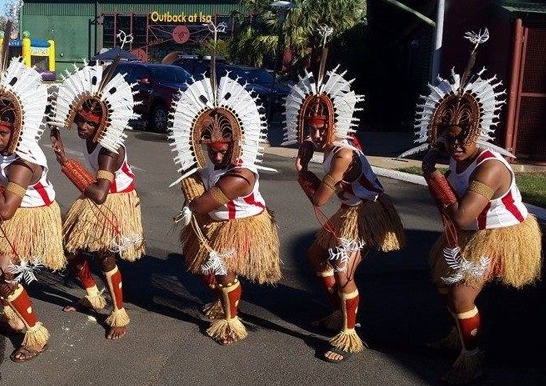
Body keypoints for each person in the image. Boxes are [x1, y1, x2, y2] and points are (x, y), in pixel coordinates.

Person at [406, 29, 542, 384]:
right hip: (470, 230)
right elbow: (453, 210)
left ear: (477, 131)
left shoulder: (490, 167)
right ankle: (458, 335)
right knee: (444, 282)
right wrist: (437, 175)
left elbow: (461, 215)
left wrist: (431, 175)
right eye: (448, 137)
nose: (454, 145)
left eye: (462, 137)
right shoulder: (456, 155)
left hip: (498, 233)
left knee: (461, 294)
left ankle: (472, 358)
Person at [281, 40, 405, 362]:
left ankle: (349, 335)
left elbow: (320, 199)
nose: (315, 135)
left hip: (365, 213)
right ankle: (338, 313)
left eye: (321, 129)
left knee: (342, 272)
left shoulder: (342, 154)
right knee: (315, 255)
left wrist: (302, 170)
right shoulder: (331, 145)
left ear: (334, 124)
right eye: (310, 128)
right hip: (350, 208)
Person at [0, 57, 66, 362]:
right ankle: (12, 317)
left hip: (32, 217)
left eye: (2, 133)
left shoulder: (22, 163)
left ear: (16, 131)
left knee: (3, 273)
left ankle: (35, 333)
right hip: (13, 209)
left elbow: (4, 210)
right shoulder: (5, 147)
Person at [167, 71, 282, 345]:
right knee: (207, 269)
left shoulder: (241, 176)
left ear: (236, 144)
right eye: (212, 150)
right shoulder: (214, 163)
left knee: (223, 271)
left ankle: (231, 322)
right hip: (215, 223)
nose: (217, 156)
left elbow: (200, 204)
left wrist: (188, 184)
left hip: (241, 226)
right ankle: (222, 302)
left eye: (223, 151)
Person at [48, 62, 144, 340]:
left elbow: (101, 194)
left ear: (103, 124)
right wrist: (57, 138)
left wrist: (67, 164)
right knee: (69, 245)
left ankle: (119, 312)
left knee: (104, 255)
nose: (83, 126)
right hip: (95, 193)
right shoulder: (90, 136)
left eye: (90, 123)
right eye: (80, 119)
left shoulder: (109, 150)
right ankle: (92, 295)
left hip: (114, 200)